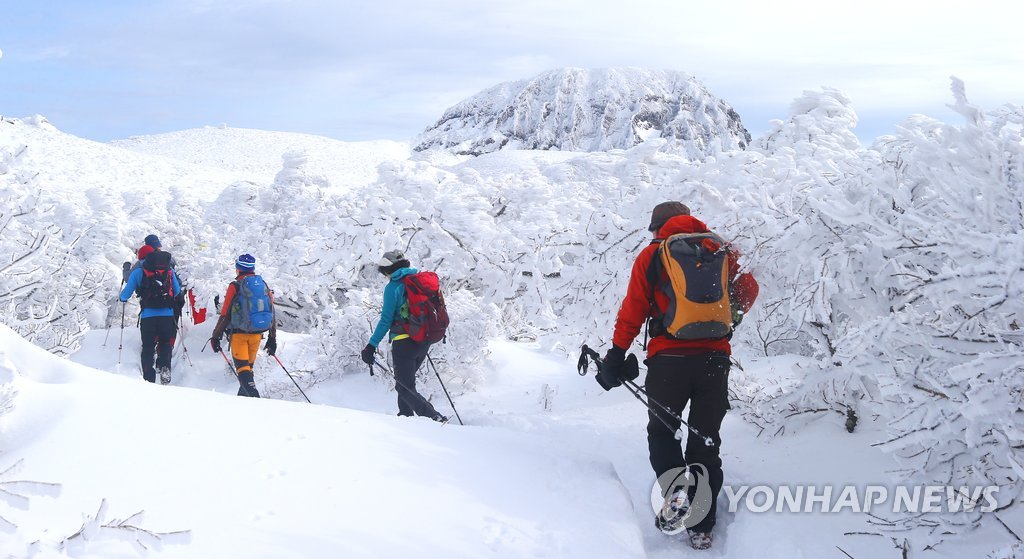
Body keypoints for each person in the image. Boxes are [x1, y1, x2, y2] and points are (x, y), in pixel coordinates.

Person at [600, 201, 758, 550]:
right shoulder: (721, 247)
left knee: (662, 432)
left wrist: (616, 352)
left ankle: (678, 503)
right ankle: (702, 526)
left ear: (658, 227)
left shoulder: (653, 254)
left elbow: (634, 309)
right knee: (705, 438)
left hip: (667, 359)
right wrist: (728, 319)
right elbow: (749, 290)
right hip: (714, 359)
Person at [361, 250, 447, 422]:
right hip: (424, 339)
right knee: (405, 383)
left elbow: (386, 320)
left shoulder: (393, 287)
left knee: (404, 387)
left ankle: (433, 417)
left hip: (403, 343)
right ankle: (406, 418)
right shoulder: (419, 281)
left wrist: (371, 346)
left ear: (387, 270)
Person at [210, 254, 277, 398]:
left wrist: (215, 336)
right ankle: (243, 402)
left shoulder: (235, 286)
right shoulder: (263, 284)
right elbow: (271, 310)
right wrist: (272, 338)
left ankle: (254, 398)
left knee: (243, 370)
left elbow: (225, 313)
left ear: (238, 269)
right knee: (247, 371)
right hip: (257, 334)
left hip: (239, 335)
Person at [119, 245, 182, 384]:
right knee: (165, 342)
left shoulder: (138, 273)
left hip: (148, 316)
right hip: (167, 315)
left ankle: (149, 379)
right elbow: (177, 291)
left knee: (147, 347)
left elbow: (125, 295)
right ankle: (165, 366)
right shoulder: (169, 270)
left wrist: (123, 298)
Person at [130, 234, 186, 323]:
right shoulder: (168, 258)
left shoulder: (141, 263)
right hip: (171, 295)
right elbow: (176, 274)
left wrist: (126, 267)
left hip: (150, 302)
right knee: (171, 324)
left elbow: (128, 278)